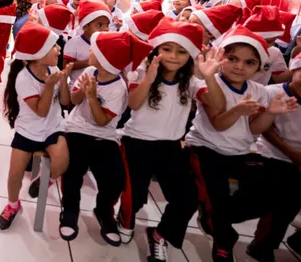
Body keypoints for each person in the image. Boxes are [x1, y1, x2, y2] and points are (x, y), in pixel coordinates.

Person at [118, 19, 227, 261]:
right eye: (167, 49)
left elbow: (217, 105)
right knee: (133, 197)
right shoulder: (140, 70)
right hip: (137, 142)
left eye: (181, 51)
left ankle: (159, 235)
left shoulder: (190, 81)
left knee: (187, 198)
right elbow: (133, 104)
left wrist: (210, 77)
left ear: (190, 55)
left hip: (171, 146)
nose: (174, 56)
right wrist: (150, 76)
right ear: (155, 49)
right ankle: (125, 216)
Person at [186, 25, 297, 261]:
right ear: (220, 56)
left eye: (249, 62)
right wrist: (237, 109)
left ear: (259, 67)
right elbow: (219, 125)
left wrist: (271, 113)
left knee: (269, 194)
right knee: (218, 198)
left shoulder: (260, 90)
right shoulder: (209, 83)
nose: (239, 66)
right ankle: (224, 241)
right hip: (206, 148)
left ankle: (215, 217)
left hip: (240, 152)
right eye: (232, 58)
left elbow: (255, 128)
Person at [60, 31, 153, 245]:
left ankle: (104, 211)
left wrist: (92, 97)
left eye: (95, 50)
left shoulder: (118, 88)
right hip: (77, 129)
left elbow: (102, 121)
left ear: (105, 60)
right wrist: (80, 91)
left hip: (105, 136)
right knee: (73, 168)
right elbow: (73, 101)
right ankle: (70, 210)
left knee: (114, 178)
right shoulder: (90, 71)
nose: (89, 51)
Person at [0, 22, 71, 231]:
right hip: (28, 129)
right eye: (53, 46)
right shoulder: (23, 78)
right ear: (38, 54)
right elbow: (40, 111)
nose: (59, 49)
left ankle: (44, 181)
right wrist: (48, 87)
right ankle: (13, 205)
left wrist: (62, 81)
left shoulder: (53, 68)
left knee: (62, 161)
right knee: (14, 175)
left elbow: (65, 102)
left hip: (53, 126)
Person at [247, 53, 301, 260]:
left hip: (296, 158)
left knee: (291, 201)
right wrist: (292, 154)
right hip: (271, 153)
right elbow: (263, 128)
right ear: (293, 69)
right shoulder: (271, 92)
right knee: (283, 193)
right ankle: (262, 243)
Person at [63, 0, 112, 85]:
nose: (105, 29)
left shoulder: (108, 44)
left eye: (107, 25)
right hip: (77, 87)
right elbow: (66, 66)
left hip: (100, 88)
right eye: (99, 25)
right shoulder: (74, 43)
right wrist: (89, 62)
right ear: (85, 26)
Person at [244, 6, 291, 85]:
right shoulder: (237, 48)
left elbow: (278, 79)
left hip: (258, 94)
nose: (264, 45)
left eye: (271, 41)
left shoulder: (274, 53)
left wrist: (295, 68)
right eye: (261, 40)